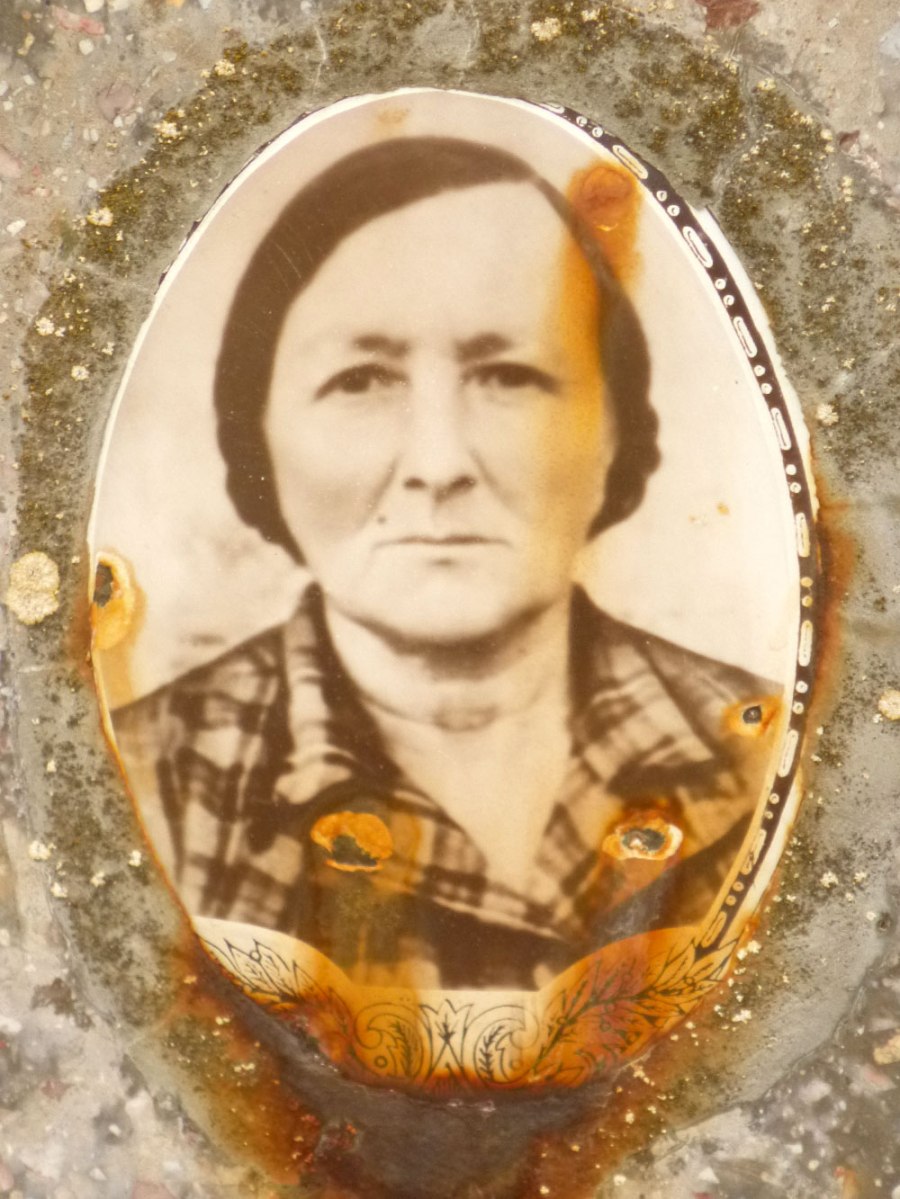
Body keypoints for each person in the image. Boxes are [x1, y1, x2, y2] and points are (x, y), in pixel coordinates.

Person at [112, 135, 780, 992]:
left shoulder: (768, 751)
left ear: (614, 427)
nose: (439, 462)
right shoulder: (142, 784)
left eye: (509, 375)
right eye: (360, 380)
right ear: (259, 434)